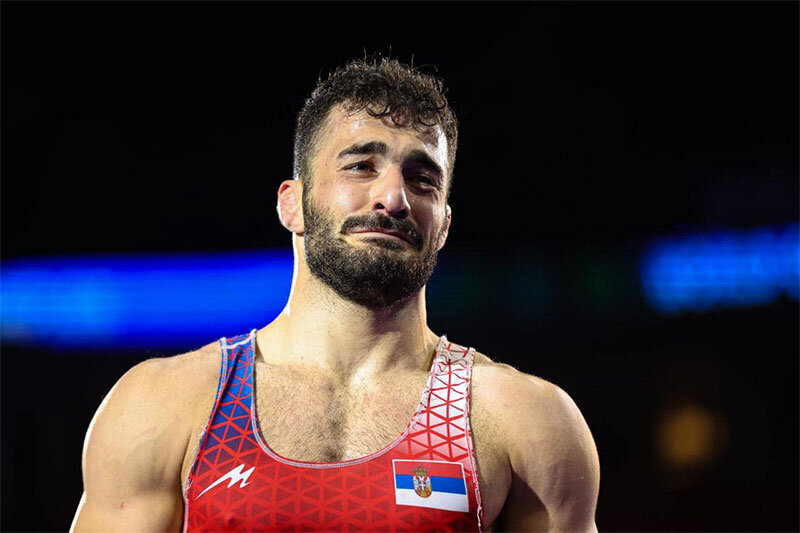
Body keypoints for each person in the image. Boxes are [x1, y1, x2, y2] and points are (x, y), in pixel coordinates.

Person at [70, 57, 600, 532]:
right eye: (361, 166)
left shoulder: (522, 419)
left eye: (422, 179)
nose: (393, 198)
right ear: (293, 204)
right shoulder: (165, 405)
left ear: (443, 225)